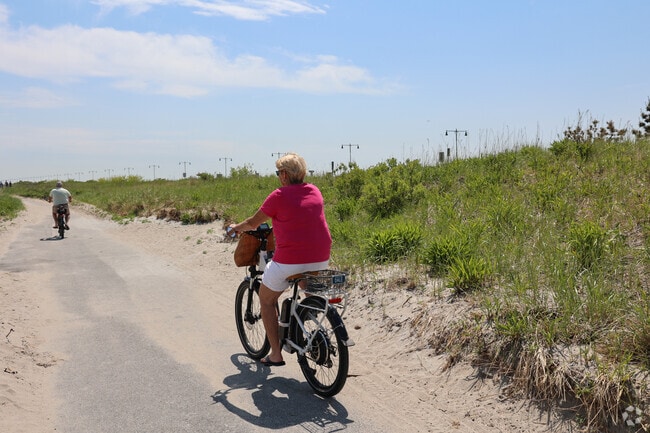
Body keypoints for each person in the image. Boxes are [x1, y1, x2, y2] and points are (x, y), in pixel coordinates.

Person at [228, 153, 332, 367]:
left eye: (278, 173)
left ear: (284, 175)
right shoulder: (315, 191)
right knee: (306, 288)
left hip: (290, 261)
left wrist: (235, 228)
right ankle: (303, 326)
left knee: (267, 299)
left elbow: (253, 223)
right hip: (321, 258)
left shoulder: (278, 196)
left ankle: (276, 353)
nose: (278, 177)